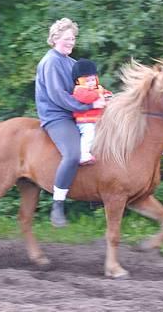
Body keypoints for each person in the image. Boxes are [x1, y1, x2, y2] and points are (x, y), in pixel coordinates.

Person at [34, 18, 106, 227]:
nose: (71, 42)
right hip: (57, 116)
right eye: (67, 38)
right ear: (55, 38)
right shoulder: (50, 62)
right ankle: (57, 204)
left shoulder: (72, 63)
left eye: (73, 38)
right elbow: (58, 96)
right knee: (73, 154)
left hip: (76, 114)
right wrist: (89, 107)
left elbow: (89, 89)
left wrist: (105, 98)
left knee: (105, 142)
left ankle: (96, 193)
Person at [72, 59, 112, 165]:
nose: (91, 83)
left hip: (96, 119)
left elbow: (107, 93)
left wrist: (108, 96)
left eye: (93, 80)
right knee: (89, 133)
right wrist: (100, 94)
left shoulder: (98, 89)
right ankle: (83, 154)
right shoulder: (79, 90)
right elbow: (87, 98)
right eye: (87, 81)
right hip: (85, 121)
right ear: (79, 81)